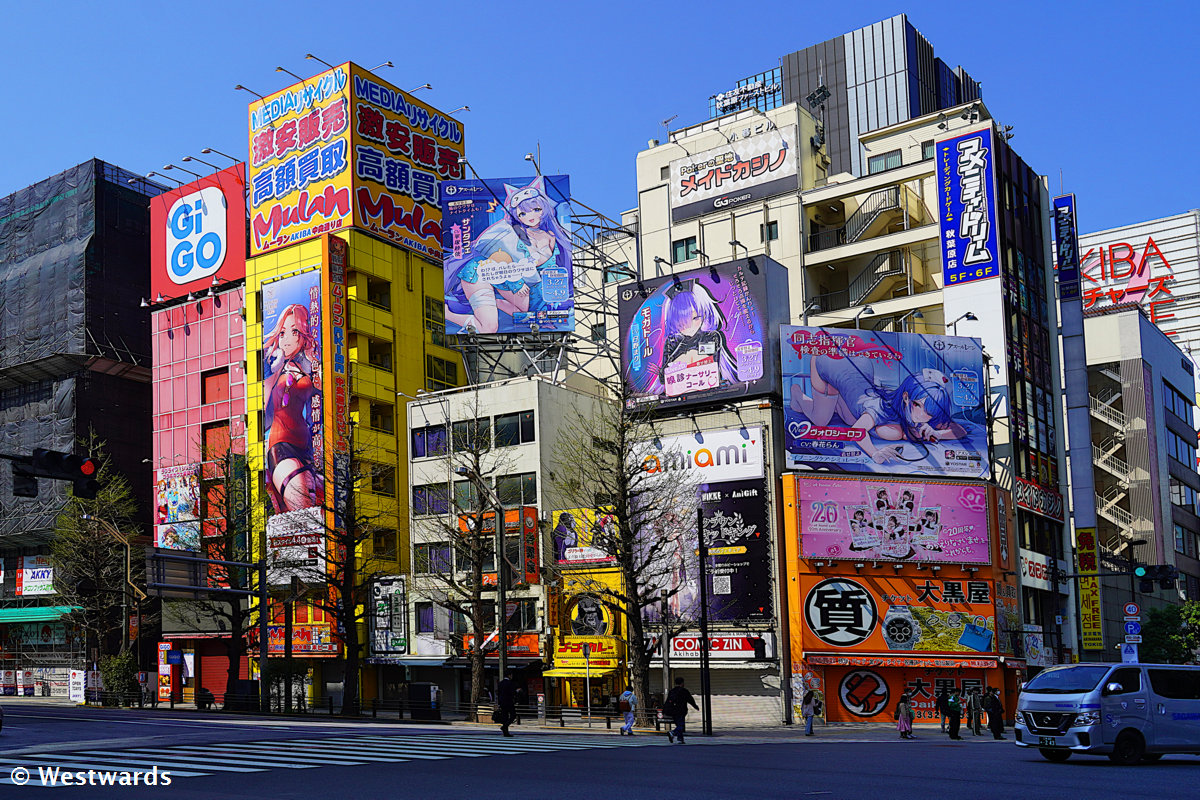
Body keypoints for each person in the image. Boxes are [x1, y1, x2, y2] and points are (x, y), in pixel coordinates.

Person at [444, 176, 572, 334]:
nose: (530, 216)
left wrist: (539, 321)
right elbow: (499, 261)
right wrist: (517, 283)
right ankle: (446, 313)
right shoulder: (511, 236)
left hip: (517, 287)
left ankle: (453, 310)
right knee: (488, 328)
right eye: (523, 213)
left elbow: (507, 306)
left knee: (490, 327)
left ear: (545, 208)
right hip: (479, 273)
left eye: (536, 209)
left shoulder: (552, 236)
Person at [790, 356, 968, 465]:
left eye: (929, 411)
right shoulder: (881, 407)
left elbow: (960, 430)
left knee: (847, 411)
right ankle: (797, 393)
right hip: (829, 363)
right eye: (918, 405)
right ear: (906, 397)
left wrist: (939, 433)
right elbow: (856, 432)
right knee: (821, 420)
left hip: (860, 367)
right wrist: (874, 453)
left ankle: (835, 398)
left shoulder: (926, 415)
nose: (923, 415)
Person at [263, 302, 322, 512]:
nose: (286, 339)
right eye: (282, 333)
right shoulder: (273, 370)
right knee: (303, 507)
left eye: (294, 331)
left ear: (303, 334)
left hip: (307, 448)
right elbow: (262, 410)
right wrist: (272, 372)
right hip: (280, 446)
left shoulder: (307, 367)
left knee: (318, 513)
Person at [664, 676, 699, 744]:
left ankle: (680, 739)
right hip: (681, 710)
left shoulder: (672, 691)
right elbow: (690, 699)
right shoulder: (684, 691)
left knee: (678, 725)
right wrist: (695, 706)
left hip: (673, 711)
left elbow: (668, 701)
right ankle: (673, 733)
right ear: (682, 683)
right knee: (681, 726)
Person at [496, 671, 516, 737]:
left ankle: (505, 732)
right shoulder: (510, 683)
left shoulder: (500, 683)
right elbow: (512, 693)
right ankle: (505, 726)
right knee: (513, 716)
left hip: (502, 703)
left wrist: (499, 703)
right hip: (509, 702)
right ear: (509, 675)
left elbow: (498, 694)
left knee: (505, 717)